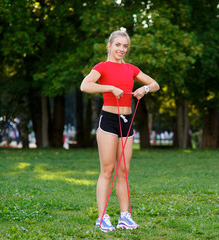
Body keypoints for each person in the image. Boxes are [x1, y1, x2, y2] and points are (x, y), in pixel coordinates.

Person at [80, 30, 159, 232]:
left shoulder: (132, 69)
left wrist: (145, 89)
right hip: (108, 121)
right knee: (107, 171)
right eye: (118, 45)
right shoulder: (102, 67)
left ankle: (125, 216)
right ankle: (102, 217)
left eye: (125, 46)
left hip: (127, 122)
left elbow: (154, 84)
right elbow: (85, 85)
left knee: (123, 171)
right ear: (110, 46)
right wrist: (108, 88)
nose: (121, 49)